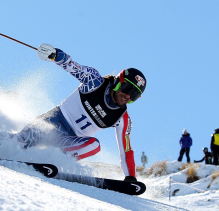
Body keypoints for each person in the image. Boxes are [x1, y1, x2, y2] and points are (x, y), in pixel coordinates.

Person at [14, 44, 147, 181]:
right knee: (17, 143)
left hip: (68, 141)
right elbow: (72, 66)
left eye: (134, 95)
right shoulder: (94, 82)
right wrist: (55, 54)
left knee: (94, 145)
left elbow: (126, 150)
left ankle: (48, 159)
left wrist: (130, 177)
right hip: (53, 121)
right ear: (119, 82)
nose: (128, 96)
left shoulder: (122, 118)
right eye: (127, 89)